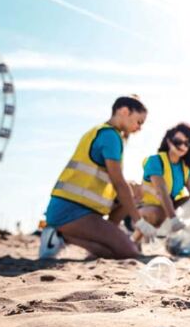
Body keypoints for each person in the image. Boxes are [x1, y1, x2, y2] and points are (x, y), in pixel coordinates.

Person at [38, 96, 157, 260]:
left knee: (112, 252)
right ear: (124, 111)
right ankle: (60, 233)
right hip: (71, 210)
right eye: (139, 121)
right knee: (129, 251)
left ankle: (65, 236)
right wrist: (139, 221)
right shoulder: (110, 136)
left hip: (79, 209)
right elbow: (118, 183)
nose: (139, 128)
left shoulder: (102, 132)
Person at [135, 123, 190, 240]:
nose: (182, 146)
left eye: (187, 143)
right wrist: (173, 219)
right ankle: (135, 238)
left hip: (168, 209)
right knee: (157, 212)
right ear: (169, 142)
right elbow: (161, 192)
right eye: (178, 142)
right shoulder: (155, 161)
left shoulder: (185, 168)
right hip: (146, 210)